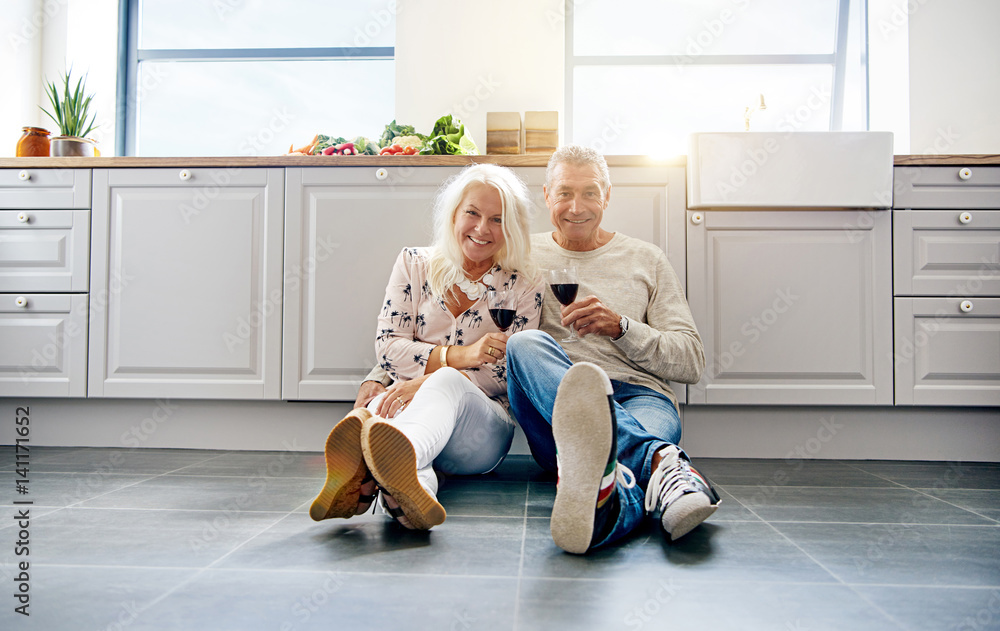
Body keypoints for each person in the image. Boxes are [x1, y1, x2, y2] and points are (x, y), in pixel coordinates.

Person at [505, 145, 720, 554]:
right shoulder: (520, 253)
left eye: (590, 193)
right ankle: (662, 465)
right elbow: (455, 304)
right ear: (546, 195)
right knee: (524, 344)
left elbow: (691, 361)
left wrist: (622, 329)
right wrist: (385, 374)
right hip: (557, 408)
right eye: (565, 192)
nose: (576, 206)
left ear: (607, 196)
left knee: (618, 466)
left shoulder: (646, 259)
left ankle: (608, 501)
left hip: (640, 396)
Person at [310, 163, 543, 530]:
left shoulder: (524, 283)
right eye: (473, 213)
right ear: (454, 214)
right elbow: (388, 347)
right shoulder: (414, 264)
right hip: (415, 416)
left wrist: (424, 380)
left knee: (439, 386)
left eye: (497, 220)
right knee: (388, 420)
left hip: (481, 432)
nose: (482, 229)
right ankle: (406, 489)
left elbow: (504, 372)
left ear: (511, 227)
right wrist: (460, 356)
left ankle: (375, 465)